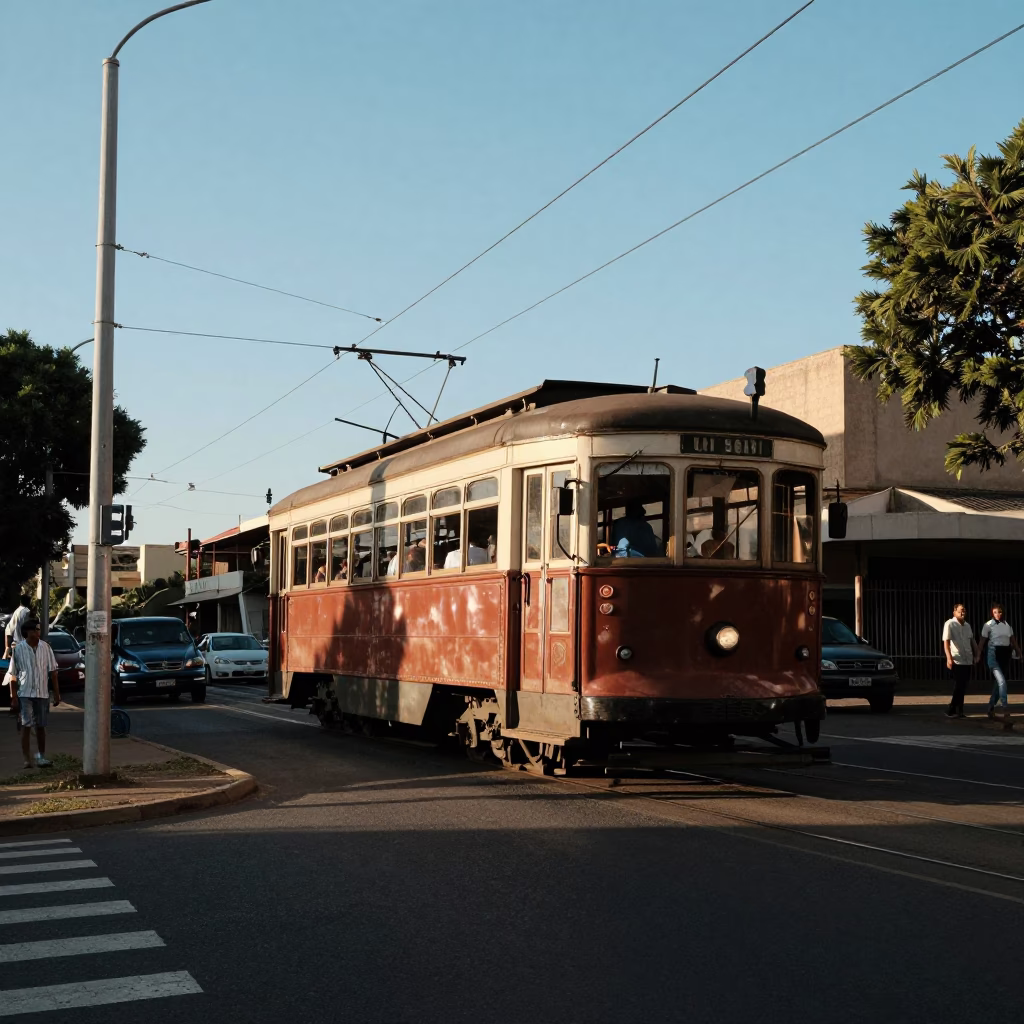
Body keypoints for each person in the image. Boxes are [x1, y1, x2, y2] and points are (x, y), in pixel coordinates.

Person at [7, 619, 60, 770]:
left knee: (41, 726)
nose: (38, 632)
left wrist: (57, 694)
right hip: (25, 693)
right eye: (36, 630)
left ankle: (41, 756)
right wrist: (13, 697)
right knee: (26, 725)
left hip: (42, 693)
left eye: (39, 630)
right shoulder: (18, 649)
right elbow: (13, 675)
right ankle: (27, 759)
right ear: (28, 632)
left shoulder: (46, 648)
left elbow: (53, 672)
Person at [977, 603, 1022, 719]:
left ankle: (991, 706)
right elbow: (982, 641)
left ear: (1003, 613)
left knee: (999, 683)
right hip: (993, 654)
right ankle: (1004, 706)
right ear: (992, 613)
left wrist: (1019, 652)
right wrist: (978, 655)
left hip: (1005, 654)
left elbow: (1013, 640)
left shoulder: (1007, 625)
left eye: (1000, 612)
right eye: (995, 612)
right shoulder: (988, 625)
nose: (998, 614)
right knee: (1002, 681)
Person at [942, 603, 977, 719]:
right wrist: (949, 658)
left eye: (964, 610)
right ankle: (952, 709)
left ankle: (958, 710)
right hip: (957, 659)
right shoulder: (950, 624)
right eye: (960, 611)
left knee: (964, 686)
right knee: (959, 685)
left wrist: (977, 653)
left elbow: (972, 641)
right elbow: (946, 642)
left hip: (968, 659)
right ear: (954, 612)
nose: (962, 613)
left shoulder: (967, 625)